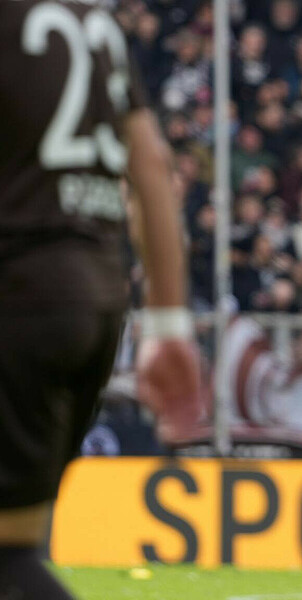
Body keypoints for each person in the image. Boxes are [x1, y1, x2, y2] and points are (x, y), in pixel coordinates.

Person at [0, 2, 201, 598]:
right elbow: (151, 163)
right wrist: (168, 322)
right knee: (14, 548)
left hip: (18, 296)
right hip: (94, 301)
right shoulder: (95, 25)